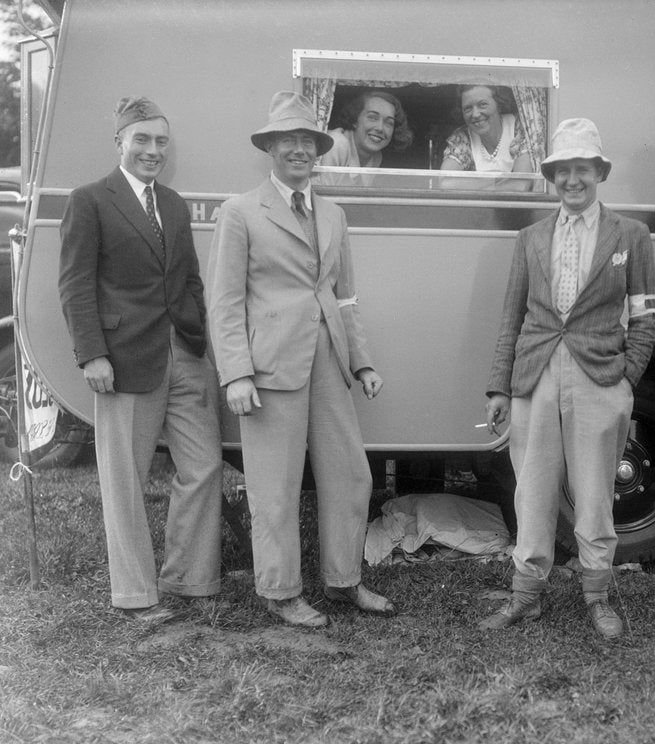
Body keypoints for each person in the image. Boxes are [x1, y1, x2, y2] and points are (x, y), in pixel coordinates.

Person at [207, 91, 394, 628]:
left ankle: (344, 581)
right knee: (275, 484)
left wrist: (362, 363)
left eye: (306, 142)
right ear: (270, 148)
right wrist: (236, 373)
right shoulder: (240, 212)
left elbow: (346, 297)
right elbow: (225, 302)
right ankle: (280, 590)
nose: (298, 151)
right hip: (270, 370)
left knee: (351, 475)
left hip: (329, 364)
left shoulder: (333, 214)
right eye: (286, 141)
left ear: (318, 150)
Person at [481, 118, 655, 639]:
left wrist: (627, 375)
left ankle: (598, 596)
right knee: (531, 491)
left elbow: (646, 316)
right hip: (534, 376)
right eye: (563, 170)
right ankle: (525, 595)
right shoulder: (530, 238)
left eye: (582, 169)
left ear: (598, 173)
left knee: (595, 492)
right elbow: (511, 317)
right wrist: (499, 385)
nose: (572, 180)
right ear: (552, 176)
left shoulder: (631, 235)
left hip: (600, 376)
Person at [58, 96, 222, 623]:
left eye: (161, 142)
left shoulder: (172, 204)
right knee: (125, 476)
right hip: (124, 359)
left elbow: (189, 279)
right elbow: (75, 286)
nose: (153, 151)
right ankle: (135, 594)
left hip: (185, 353)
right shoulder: (90, 201)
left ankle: (189, 577)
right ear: (121, 143)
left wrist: (198, 334)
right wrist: (92, 356)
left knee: (203, 465)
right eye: (143, 140)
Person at [439, 85, 533, 189]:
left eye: (482, 105)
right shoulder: (463, 137)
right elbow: (445, 182)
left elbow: (520, 185)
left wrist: (473, 185)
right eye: (468, 108)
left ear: (499, 105)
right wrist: (499, 180)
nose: (475, 114)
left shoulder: (520, 127)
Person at [316, 90, 413, 187]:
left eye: (389, 123)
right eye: (372, 118)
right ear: (355, 120)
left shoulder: (376, 157)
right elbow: (318, 198)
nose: (380, 128)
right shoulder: (336, 144)